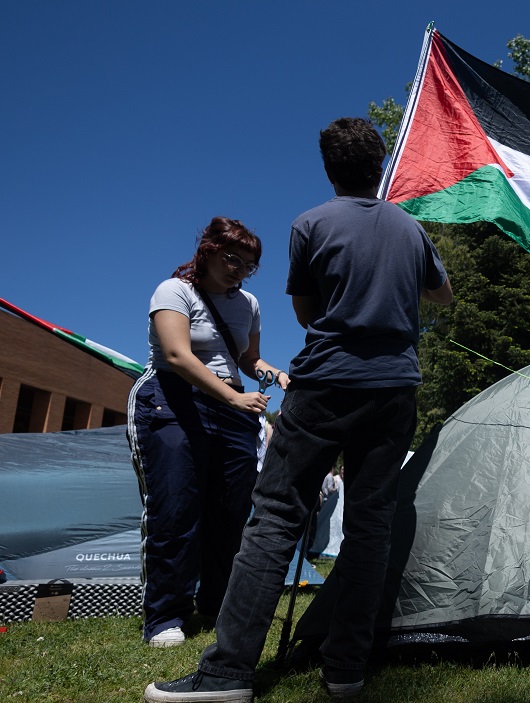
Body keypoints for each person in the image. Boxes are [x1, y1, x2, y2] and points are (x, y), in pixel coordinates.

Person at [144, 117, 453, 703]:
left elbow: (309, 314)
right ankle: (346, 674)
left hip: (327, 384)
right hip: (394, 389)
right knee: (370, 528)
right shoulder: (412, 230)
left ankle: (227, 674)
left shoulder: (309, 223)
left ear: (330, 170)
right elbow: (442, 294)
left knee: (277, 518)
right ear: (380, 164)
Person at [126, 217, 286, 648]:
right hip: (173, 400)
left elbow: (249, 359)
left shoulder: (249, 304)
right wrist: (233, 398)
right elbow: (177, 355)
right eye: (233, 258)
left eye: (249, 265)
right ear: (209, 250)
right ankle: (164, 617)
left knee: (230, 513)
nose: (239, 270)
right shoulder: (174, 291)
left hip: (232, 411)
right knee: (176, 508)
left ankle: (215, 605)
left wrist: (273, 372)